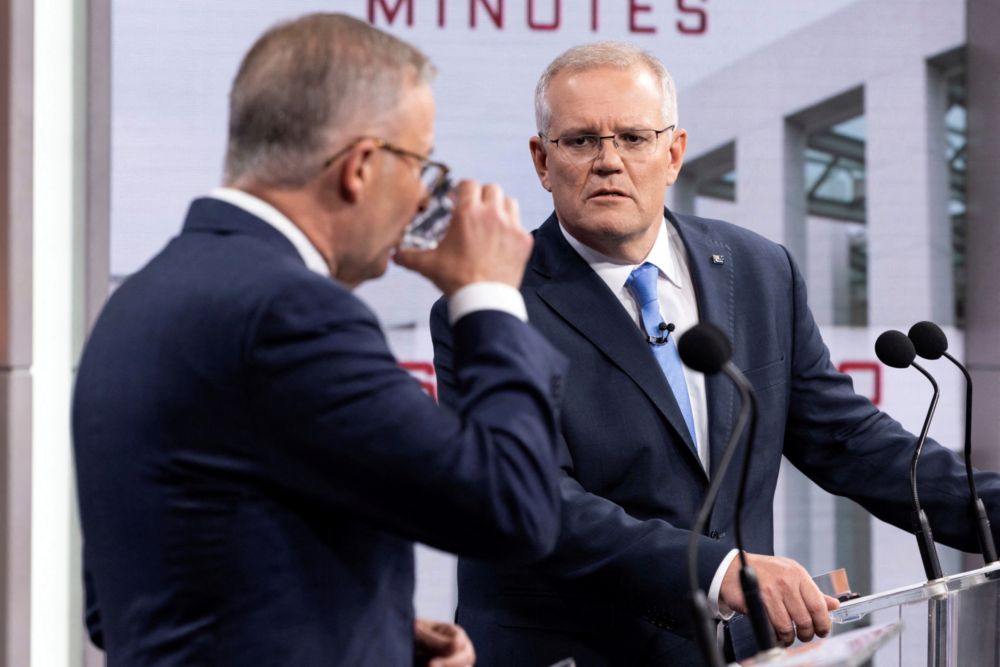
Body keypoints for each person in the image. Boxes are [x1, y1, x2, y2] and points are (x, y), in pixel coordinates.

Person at [430, 42, 1000, 665]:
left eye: (633, 137)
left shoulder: (758, 269)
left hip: (739, 651)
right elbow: (534, 497)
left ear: (673, 153)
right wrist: (717, 568)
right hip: (573, 650)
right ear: (543, 161)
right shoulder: (489, 302)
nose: (609, 161)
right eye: (581, 141)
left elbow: (846, 441)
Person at [73, 13, 568, 666]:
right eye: (422, 165)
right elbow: (512, 507)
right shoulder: (292, 311)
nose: (423, 201)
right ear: (361, 166)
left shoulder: (141, 299)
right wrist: (489, 295)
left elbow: (125, 606)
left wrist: (372, 638)